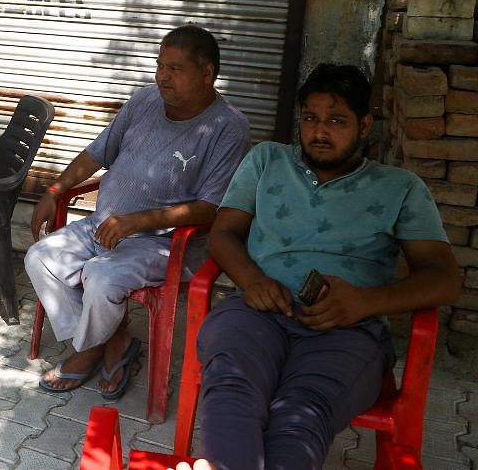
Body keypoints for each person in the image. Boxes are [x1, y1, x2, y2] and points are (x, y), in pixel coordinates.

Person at [197, 63, 460, 470]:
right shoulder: (267, 161)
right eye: (310, 119)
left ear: (365, 124)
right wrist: (253, 280)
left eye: (337, 120)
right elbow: (223, 233)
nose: (320, 132)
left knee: (301, 411)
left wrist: (363, 303)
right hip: (259, 311)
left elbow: (444, 279)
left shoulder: (400, 188)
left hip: (348, 328)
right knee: (233, 387)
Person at [25, 24, 251, 399]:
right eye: (160, 65)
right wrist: (56, 188)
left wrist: (138, 221)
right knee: (40, 258)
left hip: (163, 243)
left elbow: (212, 208)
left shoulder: (228, 128)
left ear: (208, 73)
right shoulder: (145, 100)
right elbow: (99, 151)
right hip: (105, 226)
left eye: (175, 69)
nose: (162, 76)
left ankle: (86, 351)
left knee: (100, 279)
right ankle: (111, 342)